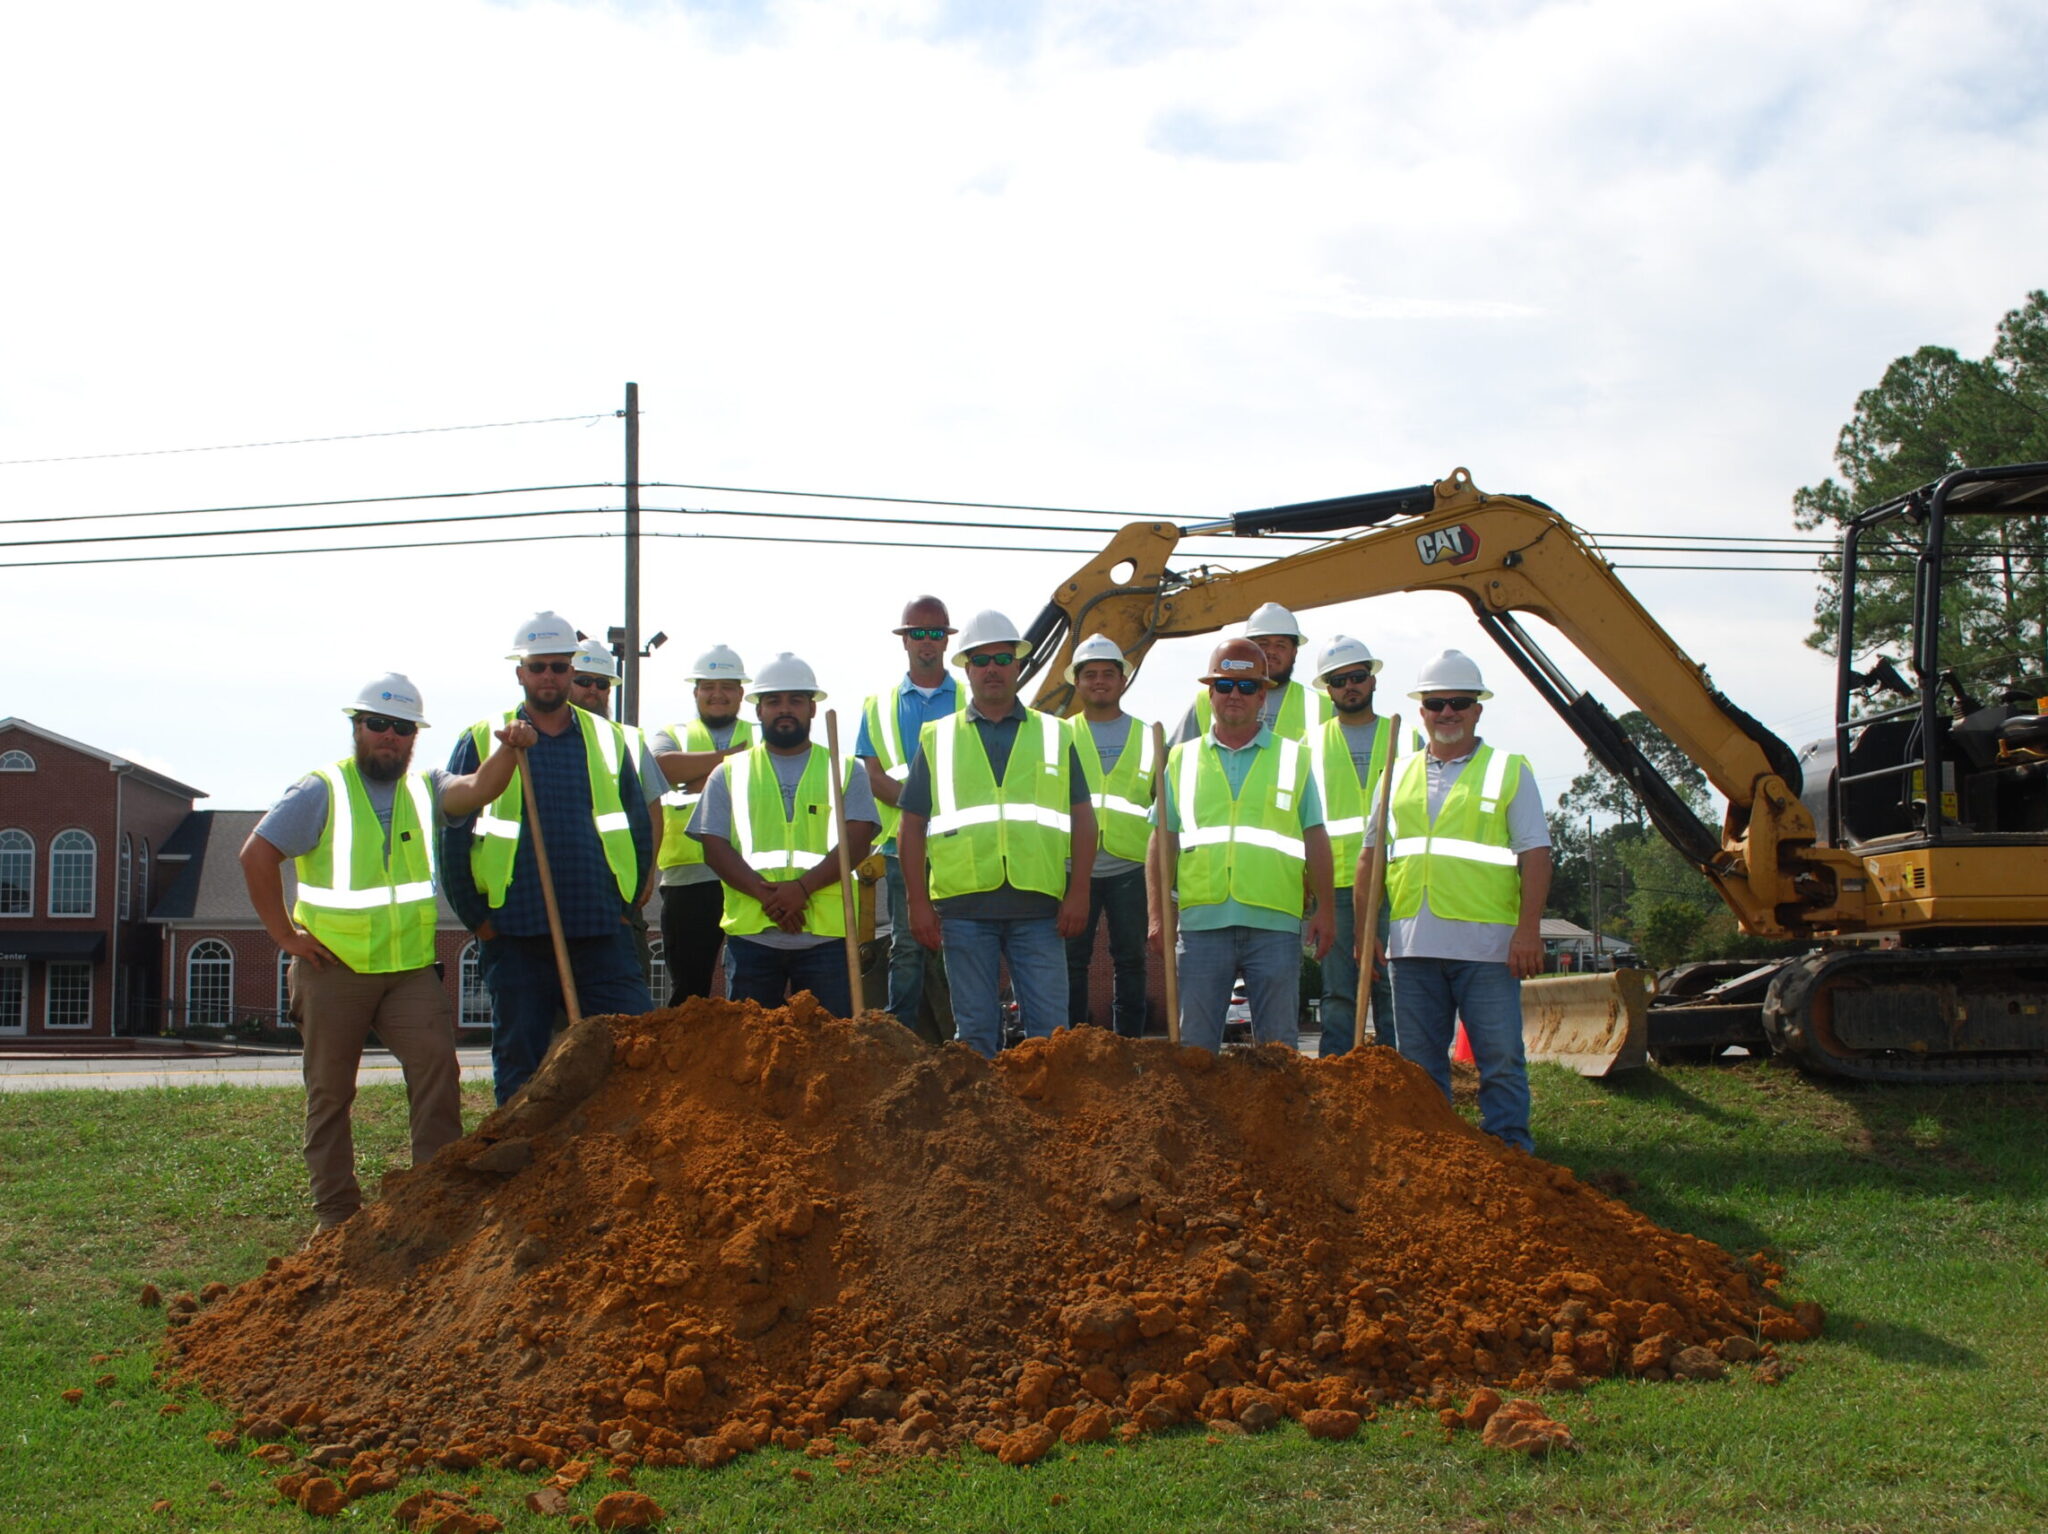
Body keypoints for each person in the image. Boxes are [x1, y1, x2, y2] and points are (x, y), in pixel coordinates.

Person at [239, 672, 533, 1230]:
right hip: (333, 970)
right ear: (357, 727)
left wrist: (507, 751)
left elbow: (476, 790)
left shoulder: (425, 788)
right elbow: (255, 856)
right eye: (379, 724)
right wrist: (283, 936)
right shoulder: (319, 790)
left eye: (402, 728)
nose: (389, 737)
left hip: (408, 973)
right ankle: (337, 1217)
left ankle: (434, 1196)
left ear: (413, 737)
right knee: (329, 1094)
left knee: (436, 1073)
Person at [444, 612, 661, 1104]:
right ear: (519, 672)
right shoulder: (484, 738)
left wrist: (628, 906)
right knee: (521, 1056)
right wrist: (476, 918)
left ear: (570, 668)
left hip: (599, 926)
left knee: (636, 1040)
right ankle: (519, 1163)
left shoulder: (606, 740)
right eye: (537, 666)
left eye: (559, 667)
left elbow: (637, 824)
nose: (549, 677)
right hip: (515, 928)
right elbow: (453, 834)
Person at [1374, 650, 1551, 1153]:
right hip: (1412, 948)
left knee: (1499, 1057)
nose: (1447, 712)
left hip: (1488, 949)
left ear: (1477, 709)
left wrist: (1528, 930)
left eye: (1459, 702)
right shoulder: (1396, 773)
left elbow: (1535, 854)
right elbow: (1372, 857)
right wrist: (1369, 934)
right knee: (1420, 1063)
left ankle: (1510, 1149)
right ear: (1422, 711)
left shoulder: (1509, 770)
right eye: (1436, 703)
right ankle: (1437, 1154)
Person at [897, 610, 1095, 1058]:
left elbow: (1084, 818)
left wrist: (1079, 890)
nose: (992, 668)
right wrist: (917, 903)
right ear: (966, 668)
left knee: (1052, 1036)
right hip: (964, 910)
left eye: (1002, 659)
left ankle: (1049, 1127)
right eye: (981, 660)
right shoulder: (938, 737)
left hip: (1040, 908)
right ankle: (982, 1127)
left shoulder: (1055, 734)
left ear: (1018, 665)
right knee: (975, 1038)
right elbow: (911, 825)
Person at [1149, 638, 1335, 1051]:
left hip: (1275, 923)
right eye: (1226, 685)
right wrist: (1158, 912)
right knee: (1195, 1049)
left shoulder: (1294, 758)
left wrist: (1325, 907)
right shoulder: (1180, 760)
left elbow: (1315, 836)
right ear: (1210, 692)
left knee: (1279, 1051)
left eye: (1247, 686)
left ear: (1263, 695)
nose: (1235, 695)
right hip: (1201, 926)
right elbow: (1162, 840)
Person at [686, 653, 879, 1016]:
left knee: (832, 1052)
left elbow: (857, 841)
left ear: (812, 709)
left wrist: (801, 889)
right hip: (753, 937)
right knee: (751, 1057)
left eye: (796, 700)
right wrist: (768, 896)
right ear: (758, 710)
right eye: (774, 701)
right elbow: (713, 846)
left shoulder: (845, 769)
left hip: (827, 937)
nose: (784, 709)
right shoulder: (728, 773)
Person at [856, 596, 968, 1044]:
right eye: (918, 633)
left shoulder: (969, 697)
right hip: (901, 844)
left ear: (947, 639)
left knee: (961, 943)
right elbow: (873, 776)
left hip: (960, 843)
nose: (928, 641)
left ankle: (964, 1036)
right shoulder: (877, 706)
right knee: (906, 944)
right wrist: (919, 809)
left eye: (936, 632)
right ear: (905, 640)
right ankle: (900, 1041)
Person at [1306, 634, 1397, 1055]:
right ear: (1328, 689)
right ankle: (1336, 1076)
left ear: (1373, 680)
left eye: (1358, 677)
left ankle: (1403, 1074)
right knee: (1339, 992)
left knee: (1393, 989)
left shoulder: (1406, 740)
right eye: (1339, 680)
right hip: (1338, 885)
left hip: (1395, 884)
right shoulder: (1310, 747)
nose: (1350, 686)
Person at [650, 644, 755, 1004]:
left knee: (751, 985)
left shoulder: (762, 735)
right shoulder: (672, 735)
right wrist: (732, 762)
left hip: (750, 878)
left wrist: (698, 774)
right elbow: (661, 768)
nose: (717, 694)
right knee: (688, 988)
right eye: (708, 686)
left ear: (741, 693)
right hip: (688, 880)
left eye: (727, 686)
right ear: (696, 692)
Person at [1062, 634, 1154, 1038]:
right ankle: (1076, 1045)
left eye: (1108, 674)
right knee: (1071, 959)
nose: (1099, 681)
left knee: (1131, 959)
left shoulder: (1151, 738)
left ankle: (1126, 1046)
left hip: (1130, 866)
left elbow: (1166, 810)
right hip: (1070, 866)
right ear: (1077, 682)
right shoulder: (1058, 736)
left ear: (1123, 681)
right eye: (1090, 674)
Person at [570, 636, 666, 991]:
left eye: (603, 684)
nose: (593, 691)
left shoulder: (627, 740)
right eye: (584, 682)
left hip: (617, 894)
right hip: (559, 889)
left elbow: (654, 812)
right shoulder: (535, 738)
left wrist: (647, 875)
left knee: (626, 997)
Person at [1172, 602, 1333, 744]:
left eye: (1280, 645)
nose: (1271, 652)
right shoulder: (1205, 701)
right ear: (1248, 649)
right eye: (1263, 644)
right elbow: (1180, 762)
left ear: (1294, 652)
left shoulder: (1321, 705)